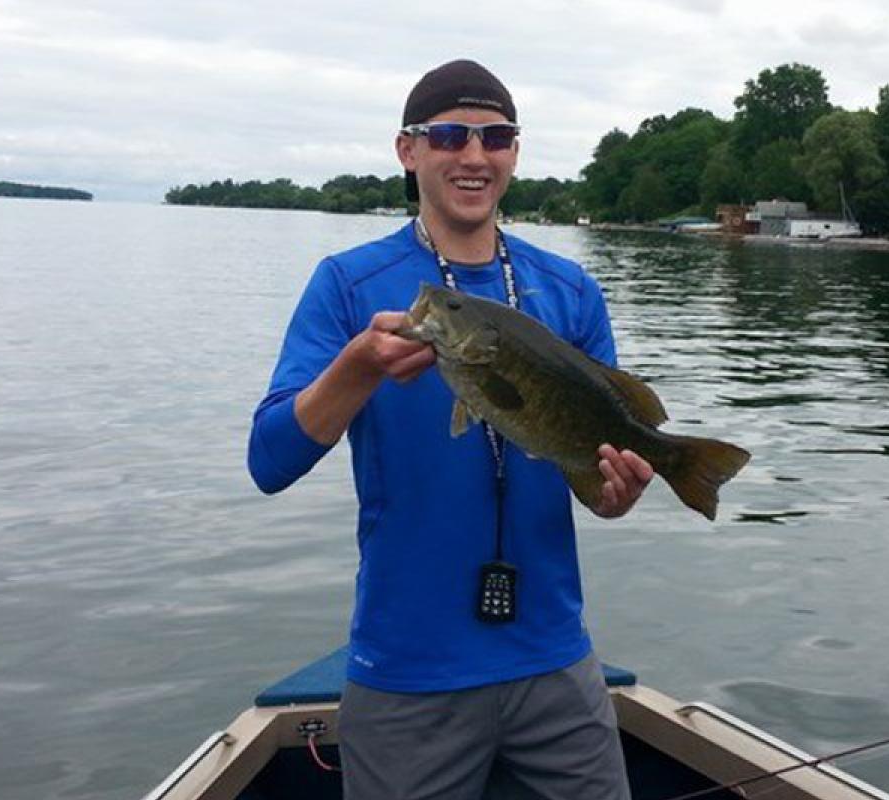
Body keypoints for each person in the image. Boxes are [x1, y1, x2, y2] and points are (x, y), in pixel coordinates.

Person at [248, 59, 652, 799]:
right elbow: (269, 461)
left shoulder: (571, 290)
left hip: (555, 662)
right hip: (406, 673)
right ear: (409, 151)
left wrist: (618, 492)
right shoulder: (347, 283)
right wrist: (357, 368)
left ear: (515, 153)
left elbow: (596, 485)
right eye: (448, 135)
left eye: (496, 137)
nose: (473, 155)